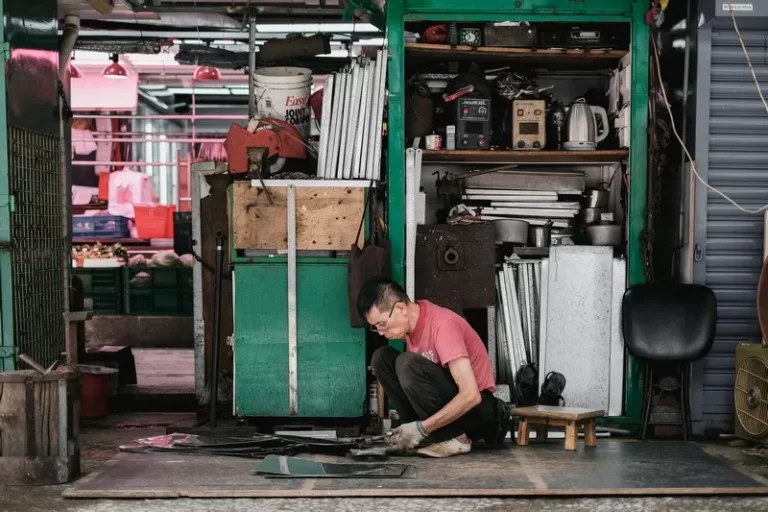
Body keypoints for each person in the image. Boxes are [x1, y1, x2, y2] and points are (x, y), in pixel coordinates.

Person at [357, 278, 511, 458]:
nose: (381, 332)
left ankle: (456, 439)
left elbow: (471, 395)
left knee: (406, 363)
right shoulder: (409, 329)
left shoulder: (442, 325)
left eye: (382, 324)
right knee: (381, 358)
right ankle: (418, 436)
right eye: (376, 328)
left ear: (400, 309)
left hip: (479, 413)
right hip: (451, 413)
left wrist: (422, 428)